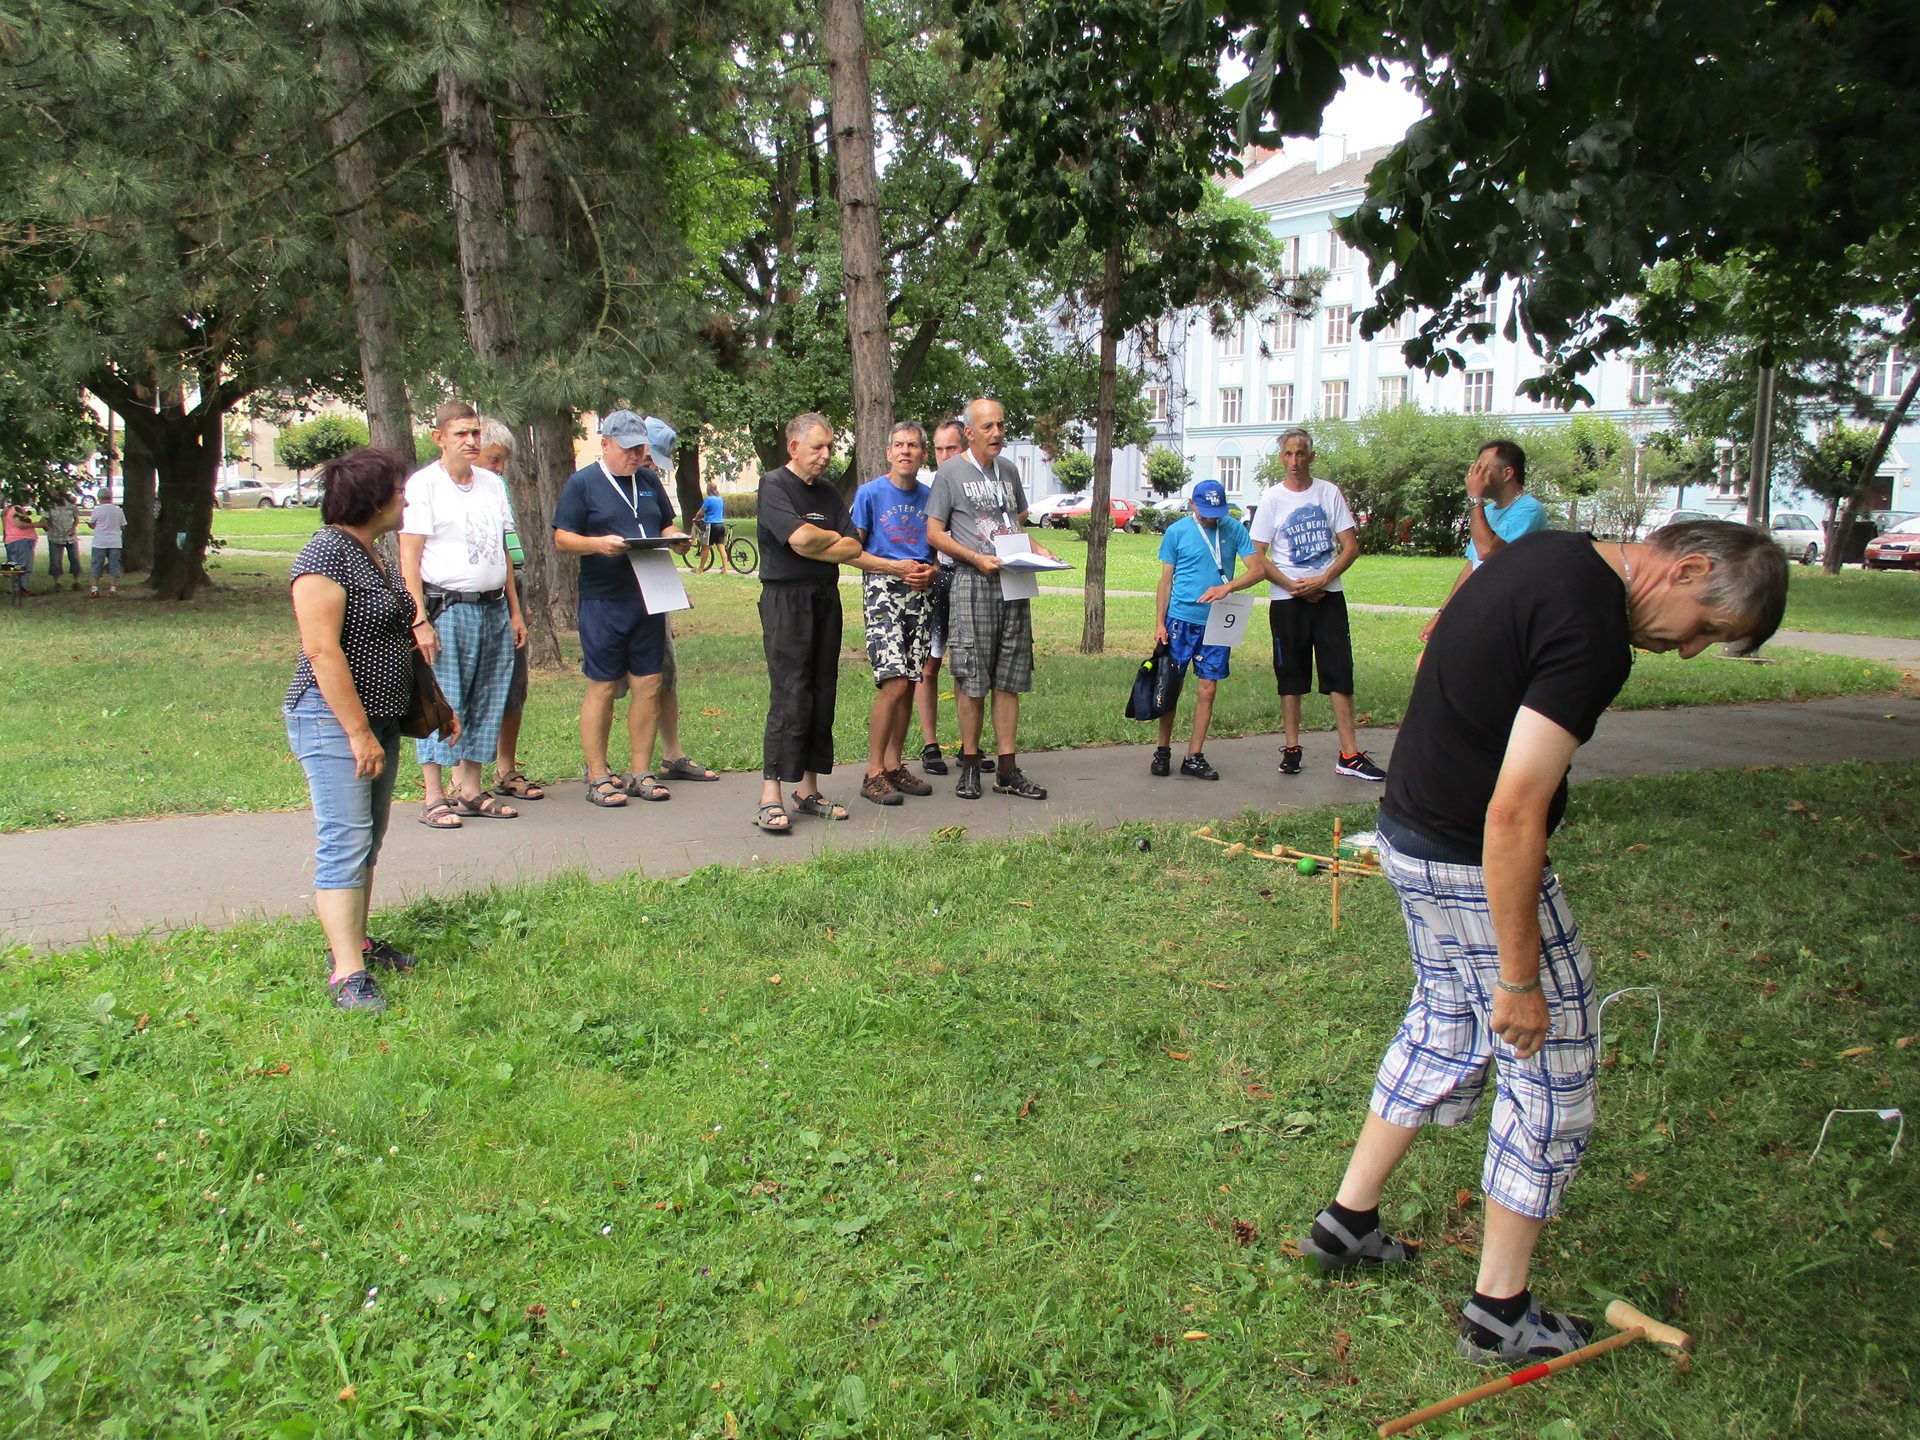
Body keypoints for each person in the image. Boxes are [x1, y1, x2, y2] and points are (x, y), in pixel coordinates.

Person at [1299, 520, 1787, 1364]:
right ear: (1688, 568)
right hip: (1467, 856)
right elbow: (1515, 811)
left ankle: (1346, 1224)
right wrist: (1522, 981)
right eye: (1706, 626)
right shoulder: (1594, 632)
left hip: (1408, 832)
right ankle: (1499, 1313)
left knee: (1445, 1023)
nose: (1690, 650)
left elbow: (1442, 663)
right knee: (1550, 1067)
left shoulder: (1548, 553)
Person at [285, 447, 453, 1013]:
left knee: (368, 838)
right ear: (374, 498)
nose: (406, 498)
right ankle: (347, 974)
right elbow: (321, 651)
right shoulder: (323, 556)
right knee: (345, 839)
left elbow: (394, 636)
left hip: (377, 717)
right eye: (399, 489)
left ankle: (356, 941)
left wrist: (435, 703)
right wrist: (357, 733)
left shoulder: (366, 551)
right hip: (332, 720)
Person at [754, 412, 930, 832]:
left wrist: (821, 543)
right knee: (790, 692)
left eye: (829, 447)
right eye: (818, 447)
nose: (826, 455)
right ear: (794, 447)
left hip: (824, 597)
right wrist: (823, 541)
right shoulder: (774, 485)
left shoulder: (828, 492)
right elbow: (798, 539)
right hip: (786, 600)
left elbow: (852, 545)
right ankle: (770, 795)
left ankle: (808, 791)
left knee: (821, 691)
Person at [552, 409, 691, 809]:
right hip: (604, 599)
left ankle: (641, 772)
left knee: (649, 684)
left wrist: (676, 537)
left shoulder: (647, 481)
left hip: (650, 596)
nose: (635, 456)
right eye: (627, 449)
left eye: (640, 449)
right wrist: (598, 544)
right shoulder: (583, 484)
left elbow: (663, 524)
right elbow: (562, 538)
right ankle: (598, 775)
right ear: (606, 444)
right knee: (604, 684)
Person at [400, 402, 526, 829]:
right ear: (439, 438)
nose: (471, 441)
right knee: (446, 697)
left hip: (493, 605)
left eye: (475, 433)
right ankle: (435, 795)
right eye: (461, 434)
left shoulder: (491, 483)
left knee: (488, 696)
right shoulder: (425, 485)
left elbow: (504, 550)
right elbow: (410, 557)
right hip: (447, 607)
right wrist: (419, 619)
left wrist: (515, 610)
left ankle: (470, 790)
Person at [926, 398, 1057, 801]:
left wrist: (1038, 549)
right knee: (972, 677)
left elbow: (1014, 520)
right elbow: (934, 533)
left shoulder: (1009, 470)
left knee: (1009, 677)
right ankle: (969, 765)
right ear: (969, 432)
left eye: (1001, 425)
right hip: (972, 581)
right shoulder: (950, 472)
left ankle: (1007, 770)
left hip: (1013, 581)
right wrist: (974, 557)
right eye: (988, 427)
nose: (997, 432)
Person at [1248, 428, 1385, 782]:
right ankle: (1291, 749)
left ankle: (1349, 754)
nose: (1294, 461)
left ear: (1311, 456)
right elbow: (1257, 555)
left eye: (1300, 453)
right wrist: (1293, 586)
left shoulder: (1328, 493)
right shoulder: (1272, 499)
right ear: (1281, 458)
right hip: (1287, 600)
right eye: (1288, 454)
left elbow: (1351, 547)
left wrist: (1323, 579)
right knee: (1290, 675)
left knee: (1339, 671)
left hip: (1328, 599)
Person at [851, 422, 941, 804]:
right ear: (889, 452)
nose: (906, 451)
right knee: (894, 681)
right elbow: (851, 551)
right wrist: (893, 567)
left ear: (923, 454)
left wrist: (932, 572)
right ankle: (872, 772)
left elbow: (937, 553)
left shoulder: (931, 498)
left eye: (913, 446)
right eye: (899, 445)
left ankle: (893, 766)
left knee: (910, 680)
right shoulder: (869, 494)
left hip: (920, 592)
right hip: (883, 589)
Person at [1149, 479, 1260, 780]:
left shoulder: (1233, 528)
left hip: (1219, 620)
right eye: (1206, 512)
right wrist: (1160, 622)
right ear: (1192, 505)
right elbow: (1165, 581)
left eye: (1217, 512)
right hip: (1180, 620)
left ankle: (1194, 756)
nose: (1212, 518)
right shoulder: (1177, 532)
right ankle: (1162, 751)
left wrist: (1228, 587)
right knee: (1170, 687)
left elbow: (1258, 570)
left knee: (1208, 689)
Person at [474, 420, 546, 803]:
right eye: (495, 459)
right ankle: (462, 778)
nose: (500, 468)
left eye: (503, 461)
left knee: (515, 683)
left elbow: (508, 545)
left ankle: (506, 768)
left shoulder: (496, 487)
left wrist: (520, 604)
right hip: (475, 593)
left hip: (512, 583)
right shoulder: (455, 490)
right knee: (472, 686)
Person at [1421, 439, 1550, 644]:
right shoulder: (1486, 511)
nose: (1475, 475)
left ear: (1507, 473)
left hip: (1511, 619)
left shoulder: (1529, 509)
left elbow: (1487, 551)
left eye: (1482, 468)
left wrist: (1474, 497)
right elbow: (1472, 566)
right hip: (1483, 610)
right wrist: (1442, 614)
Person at [914, 418, 967, 775]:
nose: (945, 455)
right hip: (937, 582)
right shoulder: (927, 488)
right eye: (939, 449)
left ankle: (968, 745)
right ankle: (930, 745)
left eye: (952, 447)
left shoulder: (976, 484)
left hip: (969, 579)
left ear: (965, 447)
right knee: (929, 664)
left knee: (966, 668)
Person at [87, 488, 126, 597]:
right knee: (114, 566)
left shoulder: (97, 510)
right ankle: (113, 589)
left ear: (99, 498)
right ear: (111, 497)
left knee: (96, 565)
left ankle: (94, 590)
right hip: (115, 542)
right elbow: (123, 526)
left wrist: (90, 525)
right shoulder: (118, 510)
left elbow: (92, 524)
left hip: (100, 542)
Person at [43, 493, 81, 591]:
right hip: (55, 537)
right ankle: (57, 583)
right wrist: (46, 526)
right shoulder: (49, 506)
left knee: (75, 559)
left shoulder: (71, 505)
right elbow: (45, 520)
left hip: (70, 537)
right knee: (55, 560)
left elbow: (76, 519)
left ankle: (76, 581)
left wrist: (73, 528)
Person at [696, 480, 731, 574]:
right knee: (721, 548)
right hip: (721, 525)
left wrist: (695, 518)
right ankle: (725, 569)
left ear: (709, 490)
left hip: (711, 525)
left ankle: (700, 569)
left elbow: (701, 512)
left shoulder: (709, 500)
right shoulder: (720, 499)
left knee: (705, 548)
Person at [4, 500, 37, 595]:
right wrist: (37, 524)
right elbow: (19, 524)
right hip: (20, 540)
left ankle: (14, 588)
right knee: (23, 565)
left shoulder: (11, 509)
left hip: (13, 540)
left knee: (14, 564)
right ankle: (20, 588)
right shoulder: (16, 509)